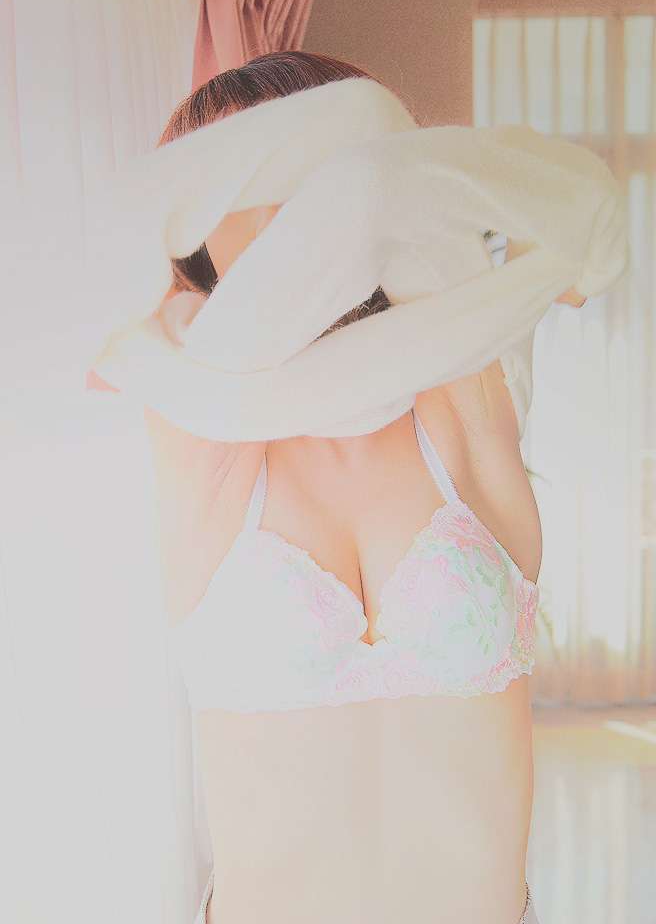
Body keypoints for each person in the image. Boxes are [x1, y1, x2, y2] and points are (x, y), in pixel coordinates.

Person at [91, 51, 626, 924]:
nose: (278, 223)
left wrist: (367, 155)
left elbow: (574, 206)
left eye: (294, 176)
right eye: (233, 190)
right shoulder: (200, 426)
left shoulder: (462, 400)